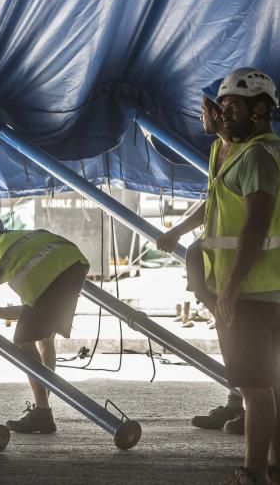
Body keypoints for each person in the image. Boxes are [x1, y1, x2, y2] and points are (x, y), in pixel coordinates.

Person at [194, 68, 280, 485]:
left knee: (255, 389)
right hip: (265, 289)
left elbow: (255, 226)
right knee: (270, 385)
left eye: (233, 108)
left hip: (250, 291)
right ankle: (273, 466)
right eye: (222, 107)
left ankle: (252, 472)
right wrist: (219, 130)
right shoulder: (253, 150)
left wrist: (228, 289)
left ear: (261, 110)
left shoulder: (259, 156)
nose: (224, 115)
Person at [155, 78, 245, 435]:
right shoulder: (217, 151)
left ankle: (256, 410)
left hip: (250, 267)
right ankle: (236, 401)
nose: (200, 116)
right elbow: (214, 202)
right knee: (229, 333)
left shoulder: (251, 154)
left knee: (251, 341)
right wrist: (179, 232)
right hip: (221, 265)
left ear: (220, 111)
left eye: (203, 109)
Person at [0, 213, 89, 435]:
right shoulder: (18, 248)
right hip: (72, 263)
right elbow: (27, 310)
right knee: (44, 338)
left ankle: (42, 411)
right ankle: (42, 407)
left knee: (23, 340)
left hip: (57, 271)